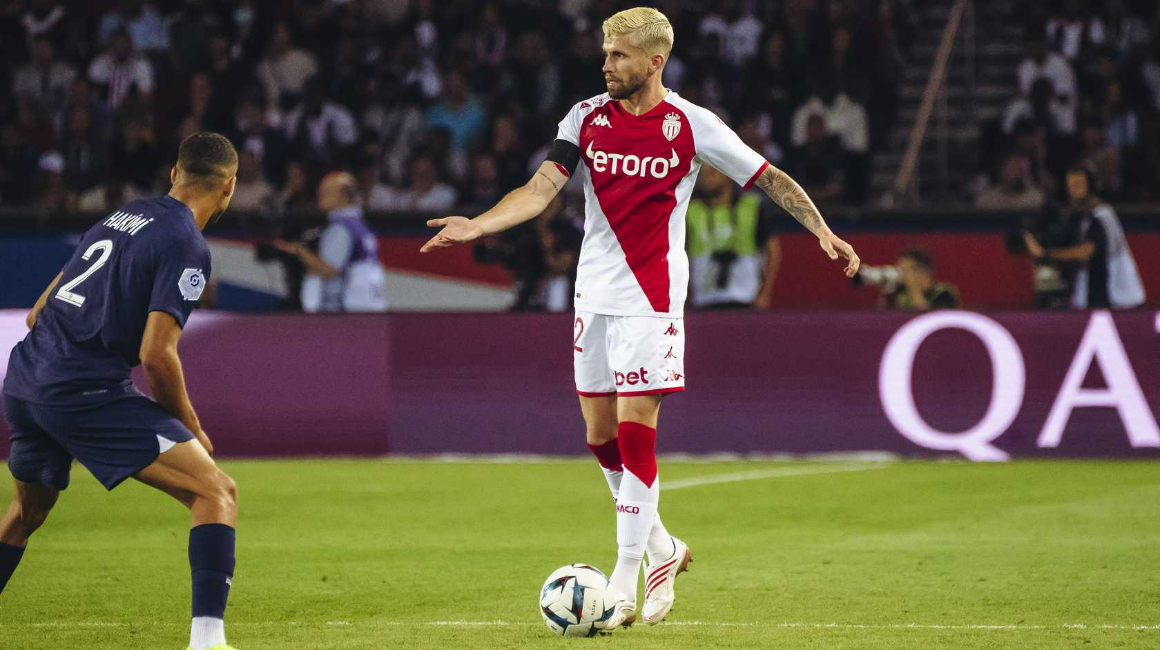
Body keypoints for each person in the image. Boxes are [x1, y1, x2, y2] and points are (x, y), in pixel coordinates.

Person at [421, 6, 858, 630]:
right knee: (599, 438)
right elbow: (541, 189)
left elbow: (768, 178)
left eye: (619, 55)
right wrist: (478, 224)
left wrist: (821, 229)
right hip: (592, 296)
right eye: (605, 53)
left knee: (634, 434)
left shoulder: (691, 124)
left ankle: (624, 582)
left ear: (655, 61)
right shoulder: (584, 118)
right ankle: (664, 548)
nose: (606, 64)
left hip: (652, 298)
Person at [1, 132, 242, 650]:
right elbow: (158, 355)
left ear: (174, 173)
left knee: (25, 515)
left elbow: (38, 312)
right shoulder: (186, 245)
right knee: (215, 492)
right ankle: (208, 642)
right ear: (229, 186)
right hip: (79, 390)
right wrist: (193, 429)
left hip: (24, 381)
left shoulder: (122, 216)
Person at [1023, 164, 1145, 309]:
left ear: (1091, 187)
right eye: (1070, 186)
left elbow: (1085, 252)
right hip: (1092, 297)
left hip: (1112, 299)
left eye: (1079, 185)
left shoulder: (1101, 215)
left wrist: (1045, 254)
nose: (1074, 191)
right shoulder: (1080, 217)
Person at [274, 171, 389, 312]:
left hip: (343, 311)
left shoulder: (341, 227)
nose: (320, 195)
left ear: (344, 195)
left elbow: (329, 270)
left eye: (327, 191)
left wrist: (298, 250)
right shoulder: (359, 225)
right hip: (366, 307)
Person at [686, 165, 781, 309]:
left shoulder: (753, 205)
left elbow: (772, 251)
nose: (705, 180)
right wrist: (684, 294)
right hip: (703, 299)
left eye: (712, 173)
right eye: (700, 175)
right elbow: (681, 253)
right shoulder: (689, 210)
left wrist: (764, 293)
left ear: (727, 175)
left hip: (746, 298)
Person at [882, 249, 960, 310]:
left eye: (905, 270)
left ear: (922, 272)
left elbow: (928, 319)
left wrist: (914, 287)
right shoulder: (900, 292)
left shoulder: (944, 294)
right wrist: (887, 290)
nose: (901, 274)